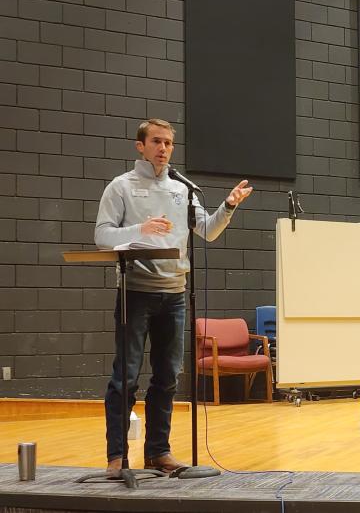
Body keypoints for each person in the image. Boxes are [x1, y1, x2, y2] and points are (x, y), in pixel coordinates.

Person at [95, 118, 253, 476]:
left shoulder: (183, 190)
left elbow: (208, 231)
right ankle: (116, 458)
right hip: (136, 292)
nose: (163, 148)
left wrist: (228, 205)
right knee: (126, 378)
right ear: (141, 146)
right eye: (156, 141)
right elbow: (102, 236)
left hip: (175, 295)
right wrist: (140, 229)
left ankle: (158, 453)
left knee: (167, 377)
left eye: (168, 143)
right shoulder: (121, 187)